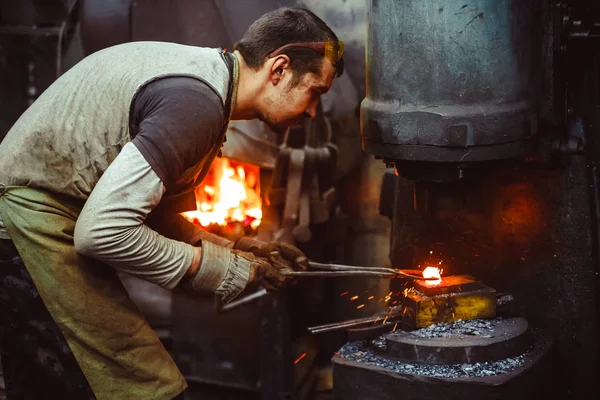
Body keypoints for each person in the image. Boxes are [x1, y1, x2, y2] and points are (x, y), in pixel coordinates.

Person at [0, 6, 344, 400]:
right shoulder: (196, 104)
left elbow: (149, 212)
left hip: (46, 216)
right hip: (23, 226)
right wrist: (221, 268)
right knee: (143, 387)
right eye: (315, 92)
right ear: (279, 68)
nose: (315, 111)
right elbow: (102, 232)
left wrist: (237, 247)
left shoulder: (207, 83)